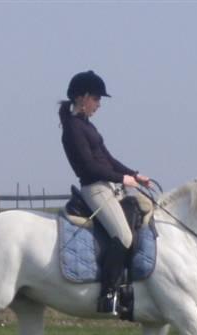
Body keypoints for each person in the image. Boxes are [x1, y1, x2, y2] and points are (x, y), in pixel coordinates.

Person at [59, 70, 151, 314]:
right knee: (123, 237)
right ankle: (108, 294)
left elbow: (107, 159)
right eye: (97, 99)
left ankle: (131, 287)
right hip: (95, 189)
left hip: (108, 186)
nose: (99, 104)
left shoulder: (86, 125)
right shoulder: (73, 129)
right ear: (83, 97)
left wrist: (135, 175)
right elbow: (91, 167)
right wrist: (123, 178)